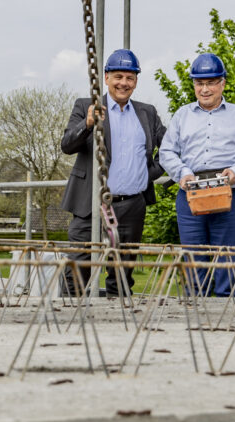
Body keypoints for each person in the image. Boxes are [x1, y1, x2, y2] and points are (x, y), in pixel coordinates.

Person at [60, 49, 165, 297]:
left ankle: (118, 328)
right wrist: (86, 125)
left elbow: (170, 146)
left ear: (136, 81)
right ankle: (67, 321)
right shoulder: (86, 106)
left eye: (130, 78)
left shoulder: (146, 112)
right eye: (118, 76)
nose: (123, 83)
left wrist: (148, 173)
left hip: (131, 206)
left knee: (121, 274)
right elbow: (67, 145)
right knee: (77, 270)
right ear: (106, 78)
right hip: (90, 204)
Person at [159, 53, 235, 297]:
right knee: (193, 262)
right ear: (193, 85)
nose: (205, 89)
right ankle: (194, 318)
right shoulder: (182, 115)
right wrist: (182, 173)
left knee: (227, 261)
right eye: (199, 83)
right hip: (190, 194)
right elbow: (167, 151)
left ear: (222, 83)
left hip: (229, 194)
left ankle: (227, 317)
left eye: (211, 82)